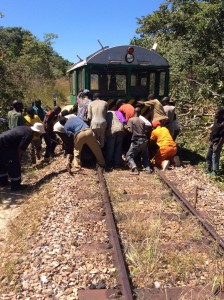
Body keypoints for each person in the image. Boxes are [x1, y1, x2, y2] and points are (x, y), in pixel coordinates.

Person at [0, 123, 45, 190]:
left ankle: (2, 182)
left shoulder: (25, 128)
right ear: (37, 132)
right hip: (6, 145)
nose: (39, 135)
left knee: (2, 162)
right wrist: (18, 159)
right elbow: (20, 149)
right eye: (40, 133)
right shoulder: (29, 134)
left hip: (2, 141)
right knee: (14, 164)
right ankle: (16, 186)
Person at [126, 107, 154, 175]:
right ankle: (148, 169)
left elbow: (130, 131)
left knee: (129, 155)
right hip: (144, 139)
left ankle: (135, 169)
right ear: (140, 113)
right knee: (145, 156)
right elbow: (144, 131)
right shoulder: (142, 121)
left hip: (136, 140)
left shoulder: (131, 120)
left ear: (134, 112)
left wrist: (126, 127)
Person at [205, 108, 224, 176]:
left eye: (217, 114)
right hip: (213, 140)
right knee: (208, 156)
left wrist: (219, 145)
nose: (215, 115)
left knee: (215, 156)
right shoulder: (217, 120)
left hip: (217, 142)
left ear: (221, 115)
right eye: (215, 113)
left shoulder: (223, 123)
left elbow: (222, 136)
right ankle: (208, 167)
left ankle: (215, 171)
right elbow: (214, 130)